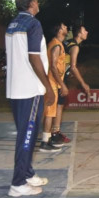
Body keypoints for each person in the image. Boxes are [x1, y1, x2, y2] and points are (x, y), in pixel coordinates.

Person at [5, 0, 56, 197]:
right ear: (31, 4)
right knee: (27, 137)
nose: (38, 2)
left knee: (27, 134)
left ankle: (27, 173)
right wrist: (48, 87)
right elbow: (34, 58)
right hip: (29, 88)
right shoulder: (34, 24)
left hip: (14, 88)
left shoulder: (13, 24)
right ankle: (18, 183)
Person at [51, 23, 90, 144]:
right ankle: (54, 133)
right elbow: (73, 67)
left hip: (57, 75)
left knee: (58, 104)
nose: (87, 32)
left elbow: (65, 62)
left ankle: (53, 131)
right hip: (58, 77)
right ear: (79, 34)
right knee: (58, 105)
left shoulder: (68, 42)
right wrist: (83, 84)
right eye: (85, 30)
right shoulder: (75, 47)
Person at [40, 22, 69, 152]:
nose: (66, 28)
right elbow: (52, 66)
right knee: (49, 113)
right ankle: (44, 142)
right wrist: (62, 85)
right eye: (64, 27)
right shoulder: (56, 45)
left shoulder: (58, 44)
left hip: (54, 82)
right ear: (59, 30)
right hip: (51, 82)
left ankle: (49, 137)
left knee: (50, 113)